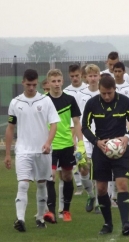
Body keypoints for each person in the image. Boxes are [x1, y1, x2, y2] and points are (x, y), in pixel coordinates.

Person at [82, 75, 129, 236]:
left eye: (109, 93)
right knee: (101, 189)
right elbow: (85, 126)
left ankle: (126, 223)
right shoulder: (92, 103)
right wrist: (96, 141)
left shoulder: (124, 102)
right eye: (103, 93)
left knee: (122, 185)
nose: (106, 96)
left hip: (120, 150)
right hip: (101, 151)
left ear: (115, 89)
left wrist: (126, 137)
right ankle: (107, 223)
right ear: (99, 90)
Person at [4, 69, 60, 231]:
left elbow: (54, 123)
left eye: (34, 85)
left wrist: (48, 142)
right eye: (28, 84)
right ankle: (20, 219)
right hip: (23, 151)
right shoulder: (15, 102)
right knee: (23, 184)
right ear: (23, 82)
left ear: (38, 83)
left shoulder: (45, 101)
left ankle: (40, 218)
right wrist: (8, 154)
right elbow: (10, 128)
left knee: (42, 184)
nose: (31, 88)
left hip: (42, 151)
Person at [43, 68, 86, 223]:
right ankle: (51, 212)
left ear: (62, 81)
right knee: (51, 177)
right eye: (53, 81)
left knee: (67, 177)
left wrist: (80, 144)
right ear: (48, 83)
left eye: (59, 81)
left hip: (67, 145)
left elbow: (76, 122)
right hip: (51, 147)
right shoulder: (43, 101)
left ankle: (66, 211)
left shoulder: (70, 99)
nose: (56, 84)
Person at [107, 61, 129, 207]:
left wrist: (128, 126)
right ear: (112, 72)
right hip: (110, 130)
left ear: (124, 72)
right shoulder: (109, 88)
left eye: (120, 71)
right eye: (115, 71)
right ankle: (111, 196)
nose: (118, 74)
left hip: (124, 131)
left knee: (120, 161)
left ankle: (116, 194)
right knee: (109, 161)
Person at [76, 64, 101, 213]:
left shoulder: (103, 92)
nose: (92, 78)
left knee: (97, 170)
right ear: (85, 77)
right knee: (83, 168)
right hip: (85, 137)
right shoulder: (80, 95)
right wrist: (77, 139)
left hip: (99, 136)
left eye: (95, 75)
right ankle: (91, 195)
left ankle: (98, 203)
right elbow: (77, 119)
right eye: (90, 76)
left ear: (99, 76)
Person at [64, 63, 88, 195]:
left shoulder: (87, 89)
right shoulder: (66, 91)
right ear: (69, 76)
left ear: (82, 75)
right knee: (75, 156)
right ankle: (79, 185)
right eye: (72, 76)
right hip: (72, 127)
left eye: (77, 75)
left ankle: (88, 184)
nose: (75, 78)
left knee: (86, 159)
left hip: (87, 127)